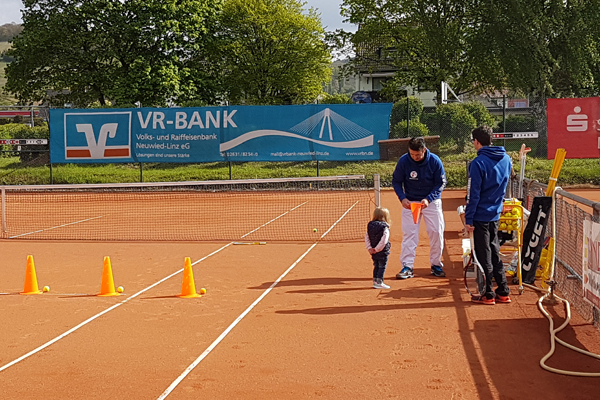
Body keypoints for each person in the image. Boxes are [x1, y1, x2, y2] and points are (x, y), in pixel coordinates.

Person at [464, 125, 512, 305]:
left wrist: (469, 219)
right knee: (494, 252)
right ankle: (503, 291)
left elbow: (473, 194)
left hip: (480, 216)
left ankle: (488, 294)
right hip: (495, 214)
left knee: (484, 255)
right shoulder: (507, 159)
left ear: (476, 141)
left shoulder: (477, 163)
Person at [392, 137, 447, 279]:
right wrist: (402, 198)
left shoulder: (435, 161)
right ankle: (407, 266)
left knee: (436, 232)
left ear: (425, 150)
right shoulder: (404, 161)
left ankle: (436, 265)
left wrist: (429, 199)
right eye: (412, 154)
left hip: (431, 202)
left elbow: (440, 183)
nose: (415, 157)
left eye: (418, 154)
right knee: (409, 234)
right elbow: (397, 181)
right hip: (410, 203)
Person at [365, 207, 392, 289]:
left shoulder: (370, 225)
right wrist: (377, 249)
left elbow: (366, 237)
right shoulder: (385, 227)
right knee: (382, 266)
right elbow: (384, 241)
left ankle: (375, 281)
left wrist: (370, 248)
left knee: (376, 266)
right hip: (382, 251)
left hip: (373, 252)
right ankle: (379, 282)